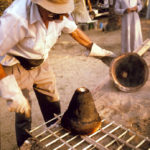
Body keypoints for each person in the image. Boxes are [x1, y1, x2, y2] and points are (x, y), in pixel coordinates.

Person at [0, 0, 115, 148]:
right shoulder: (16, 17)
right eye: (54, 12)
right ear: (39, 4)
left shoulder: (61, 12)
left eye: (62, 12)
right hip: (16, 64)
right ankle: (25, 145)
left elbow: (74, 31)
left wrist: (99, 52)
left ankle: (55, 140)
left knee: (52, 103)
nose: (60, 18)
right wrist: (9, 90)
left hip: (41, 62)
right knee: (23, 111)